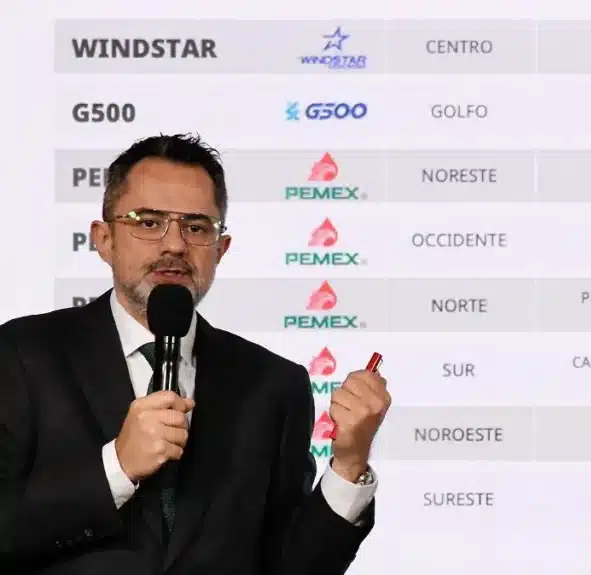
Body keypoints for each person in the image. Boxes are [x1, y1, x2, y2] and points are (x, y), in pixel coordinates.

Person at [0, 134, 390, 574]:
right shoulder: (22, 356)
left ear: (220, 250)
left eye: (197, 227)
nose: (175, 245)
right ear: (104, 239)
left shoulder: (272, 385)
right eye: (149, 222)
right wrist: (116, 468)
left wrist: (350, 463)